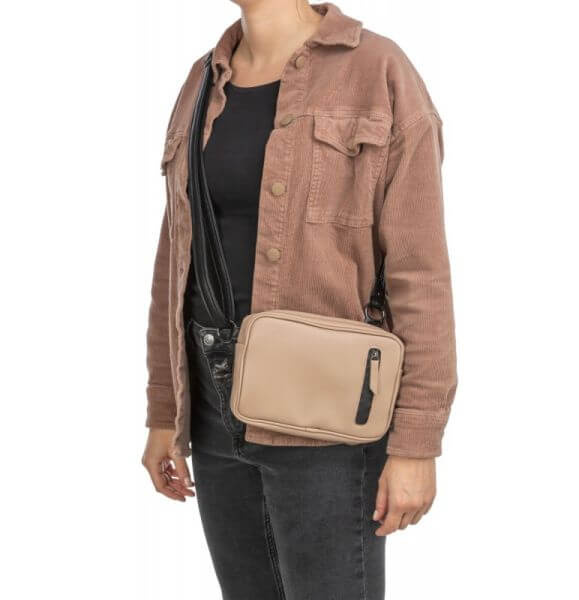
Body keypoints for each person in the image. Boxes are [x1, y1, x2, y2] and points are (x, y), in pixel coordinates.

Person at [141, 2, 457, 598]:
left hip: (327, 421)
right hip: (214, 412)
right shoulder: (202, 80)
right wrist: (165, 411)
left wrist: (417, 444)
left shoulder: (378, 70)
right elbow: (175, 259)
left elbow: (422, 275)